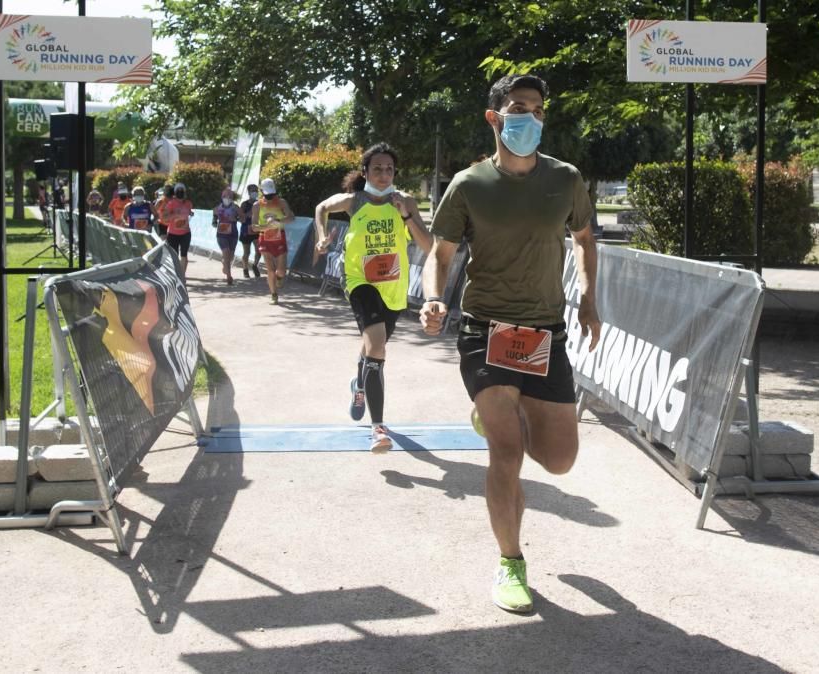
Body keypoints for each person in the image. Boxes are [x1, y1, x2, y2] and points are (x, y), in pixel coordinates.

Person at [419, 74, 601, 613]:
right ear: (495, 117)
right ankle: (510, 562)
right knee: (507, 452)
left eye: (539, 109)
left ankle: (501, 416)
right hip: (486, 332)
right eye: (520, 107)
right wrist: (433, 298)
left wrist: (589, 297)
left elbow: (586, 240)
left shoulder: (566, 180)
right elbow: (441, 253)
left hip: (546, 333)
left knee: (560, 459)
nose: (531, 117)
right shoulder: (469, 184)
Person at [314, 143, 432, 452]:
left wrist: (406, 216)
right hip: (359, 279)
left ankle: (359, 384)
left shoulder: (404, 200)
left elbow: (428, 244)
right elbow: (321, 208)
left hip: (393, 285)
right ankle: (378, 428)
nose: (383, 174)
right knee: (377, 345)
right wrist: (320, 235)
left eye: (389, 169)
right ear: (365, 172)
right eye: (377, 169)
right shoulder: (354, 201)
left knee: (373, 348)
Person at [250, 178, 294, 304]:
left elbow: (291, 217)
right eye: (267, 194)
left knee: (280, 271)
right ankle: (274, 294)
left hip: (280, 237)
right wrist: (266, 227)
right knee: (270, 269)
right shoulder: (257, 205)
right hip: (265, 238)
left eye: (272, 194)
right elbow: (253, 226)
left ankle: (279, 278)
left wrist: (278, 222)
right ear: (262, 192)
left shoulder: (281, 202)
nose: (270, 196)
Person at [162, 182, 194, 279]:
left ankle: (182, 276)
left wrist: (190, 213)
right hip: (173, 234)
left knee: (184, 255)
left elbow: (189, 211)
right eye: (178, 191)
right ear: (175, 192)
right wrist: (174, 215)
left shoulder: (188, 203)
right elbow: (164, 218)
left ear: (184, 192)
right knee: (174, 256)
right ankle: (175, 274)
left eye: (182, 191)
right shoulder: (171, 203)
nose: (180, 193)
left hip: (185, 233)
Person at [212, 187, 243, 285]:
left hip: (233, 234)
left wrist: (236, 218)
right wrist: (215, 223)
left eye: (229, 196)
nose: (227, 198)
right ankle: (229, 277)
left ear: (232, 197)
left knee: (230, 256)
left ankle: (225, 263)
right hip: (221, 234)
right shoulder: (217, 208)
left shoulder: (236, 208)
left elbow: (243, 219)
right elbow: (213, 222)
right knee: (226, 252)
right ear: (222, 197)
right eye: (225, 196)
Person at [238, 183, 262, 278]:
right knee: (247, 252)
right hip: (246, 231)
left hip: (256, 230)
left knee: (259, 251)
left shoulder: (259, 203)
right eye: (253, 191)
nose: (255, 192)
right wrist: (247, 214)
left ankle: (255, 265)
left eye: (256, 190)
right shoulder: (244, 204)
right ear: (248, 192)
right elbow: (239, 218)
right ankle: (245, 269)